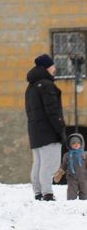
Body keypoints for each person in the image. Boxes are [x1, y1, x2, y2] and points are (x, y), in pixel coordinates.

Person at [25, 54, 66, 201]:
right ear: (46, 67)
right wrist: (60, 128)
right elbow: (52, 110)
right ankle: (47, 193)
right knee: (49, 163)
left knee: (39, 163)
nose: (55, 68)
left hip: (35, 131)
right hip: (48, 131)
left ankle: (38, 192)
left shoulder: (31, 87)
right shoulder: (47, 85)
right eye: (52, 65)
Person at [53, 133, 87, 200]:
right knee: (71, 192)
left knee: (85, 191)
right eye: (73, 143)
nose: (76, 144)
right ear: (70, 145)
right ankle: (71, 203)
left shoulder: (85, 154)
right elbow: (64, 166)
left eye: (78, 143)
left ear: (81, 143)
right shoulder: (67, 155)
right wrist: (59, 173)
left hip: (84, 177)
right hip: (72, 178)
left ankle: (83, 203)